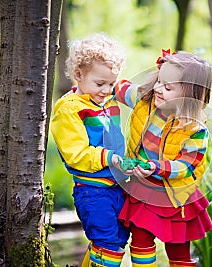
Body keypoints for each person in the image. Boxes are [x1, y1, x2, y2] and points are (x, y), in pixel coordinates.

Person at [112, 50, 212, 267]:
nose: (158, 89)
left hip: (175, 196)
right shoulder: (144, 100)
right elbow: (117, 87)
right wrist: (91, 88)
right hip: (143, 188)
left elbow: (187, 165)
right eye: (159, 81)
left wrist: (157, 167)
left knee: (178, 247)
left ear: (190, 96)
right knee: (140, 241)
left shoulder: (195, 129)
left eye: (168, 88)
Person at [50, 33, 129, 267]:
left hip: (115, 187)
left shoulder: (101, 101)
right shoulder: (70, 109)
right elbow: (76, 154)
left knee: (118, 241)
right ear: (78, 75)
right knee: (107, 244)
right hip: (93, 191)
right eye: (100, 84)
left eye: (111, 84)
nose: (107, 90)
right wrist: (109, 158)